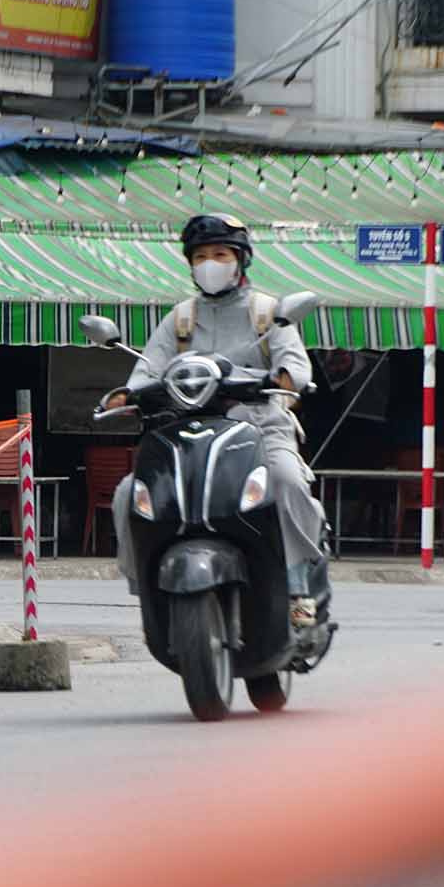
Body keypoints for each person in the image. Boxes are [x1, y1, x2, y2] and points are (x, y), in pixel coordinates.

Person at [112, 213, 330, 628]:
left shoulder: (268, 313)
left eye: (220, 254)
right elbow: (147, 370)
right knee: (129, 493)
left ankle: (298, 585)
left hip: (261, 428)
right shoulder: (180, 318)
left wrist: (285, 380)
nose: (210, 263)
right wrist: (130, 393)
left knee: (285, 479)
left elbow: (294, 367)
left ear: (240, 261)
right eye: (200, 256)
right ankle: (146, 590)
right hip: (187, 432)